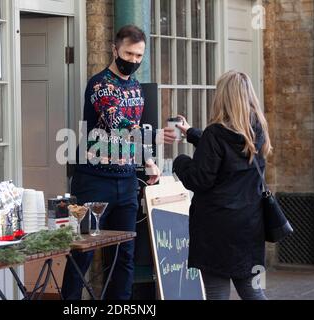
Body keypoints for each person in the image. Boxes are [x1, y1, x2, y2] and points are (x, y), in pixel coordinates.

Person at [61, 25, 177, 300]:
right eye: (129, 53)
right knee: (83, 253)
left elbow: (131, 133)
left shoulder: (136, 86)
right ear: (115, 50)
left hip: (125, 181)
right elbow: (115, 123)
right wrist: (154, 135)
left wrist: (147, 160)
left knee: (124, 256)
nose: (134, 61)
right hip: (93, 181)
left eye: (139, 56)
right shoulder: (99, 83)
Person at [173, 70, 272, 300]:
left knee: (216, 292)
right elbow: (229, 156)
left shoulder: (216, 133)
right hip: (249, 225)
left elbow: (199, 179)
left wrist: (180, 162)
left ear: (223, 97)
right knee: (252, 289)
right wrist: (192, 133)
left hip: (217, 229)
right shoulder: (257, 130)